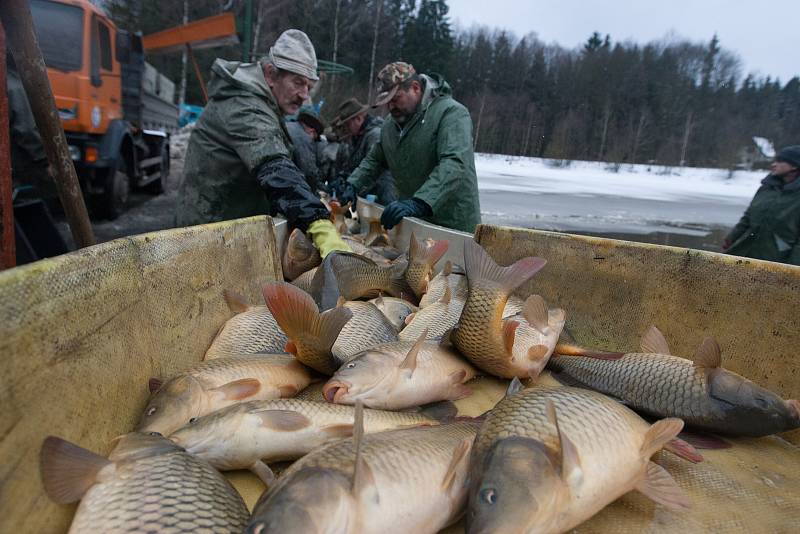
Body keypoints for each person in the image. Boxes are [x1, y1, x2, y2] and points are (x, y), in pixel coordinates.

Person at [175, 30, 349, 258]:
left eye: (308, 86)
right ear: (270, 75)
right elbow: (274, 166)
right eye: (298, 82)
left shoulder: (265, 104)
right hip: (206, 237)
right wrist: (319, 223)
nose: (304, 95)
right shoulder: (245, 105)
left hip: (228, 230)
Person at [337, 62, 481, 232]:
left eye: (395, 99)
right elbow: (375, 159)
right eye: (387, 102)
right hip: (415, 222)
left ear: (415, 88)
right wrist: (353, 184)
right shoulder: (390, 125)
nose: (391, 107)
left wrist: (420, 202)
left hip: (453, 224)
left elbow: (455, 163)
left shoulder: (451, 113)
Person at [723, 145, 800, 265]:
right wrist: (732, 238)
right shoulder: (766, 188)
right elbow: (748, 217)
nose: (774, 165)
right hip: (743, 252)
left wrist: (793, 270)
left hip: (776, 262)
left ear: (794, 166)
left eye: (780, 161)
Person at [330, 98, 397, 205]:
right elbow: (353, 165)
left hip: (381, 194)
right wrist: (342, 178)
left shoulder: (375, 135)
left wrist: (353, 187)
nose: (346, 128)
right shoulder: (356, 138)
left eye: (347, 124)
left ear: (359, 119)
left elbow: (373, 168)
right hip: (366, 193)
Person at [286, 105, 326, 193]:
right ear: (312, 131)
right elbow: (309, 172)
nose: (313, 141)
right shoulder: (303, 137)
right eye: (314, 138)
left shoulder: (288, 126)